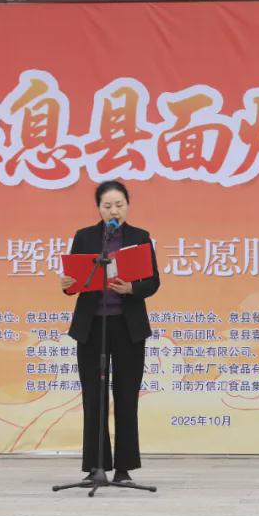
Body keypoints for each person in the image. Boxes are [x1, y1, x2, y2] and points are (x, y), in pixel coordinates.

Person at [59, 180, 160, 483]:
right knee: (94, 398)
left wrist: (132, 288)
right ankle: (96, 467)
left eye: (119, 205)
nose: (114, 211)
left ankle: (124, 469)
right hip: (93, 327)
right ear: (99, 208)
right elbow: (75, 281)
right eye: (107, 206)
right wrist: (67, 284)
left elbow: (153, 282)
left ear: (127, 206)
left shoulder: (140, 237)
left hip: (128, 328)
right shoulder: (85, 237)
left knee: (126, 397)